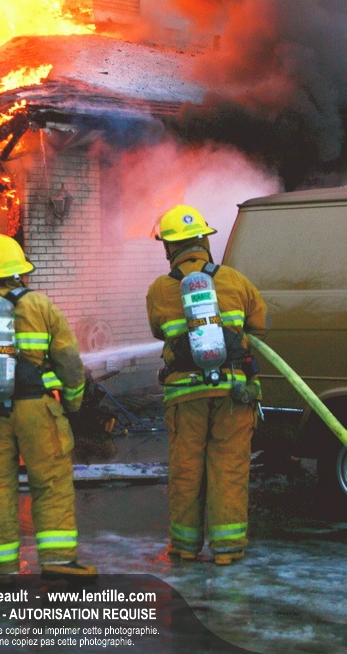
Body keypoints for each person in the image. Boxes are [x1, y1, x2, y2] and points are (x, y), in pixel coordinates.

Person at [0, 232, 97, 584]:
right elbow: (70, 362)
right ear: (19, 272)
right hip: (38, 412)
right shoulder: (41, 306)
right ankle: (58, 561)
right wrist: (73, 403)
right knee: (51, 484)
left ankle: (1, 570)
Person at [146, 205, 269, 566]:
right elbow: (260, 326)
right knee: (229, 469)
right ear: (204, 241)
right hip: (233, 392)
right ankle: (227, 549)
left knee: (186, 470)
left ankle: (185, 547)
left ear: (169, 247)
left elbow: (158, 331)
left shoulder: (160, 289)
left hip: (185, 396)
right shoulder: (235, 280)